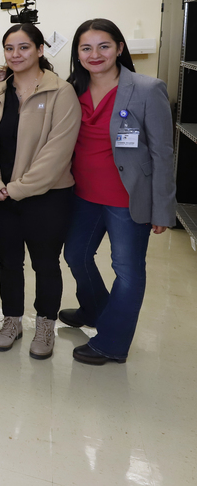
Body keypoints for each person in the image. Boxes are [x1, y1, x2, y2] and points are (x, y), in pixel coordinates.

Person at [60, 19, 175, 365]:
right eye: (86, 48)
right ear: (77, 54)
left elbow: (163, 152)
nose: (95, 54)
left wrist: (163, 209)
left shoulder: (146, 88)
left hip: (127, 199)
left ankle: (112, 342)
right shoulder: (72, 89)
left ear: (119, 48)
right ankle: (95, 310)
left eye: (104, 46)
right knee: (76, 256)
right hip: (82, 195)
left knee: (126, 270)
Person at [0, 23, 81, 360]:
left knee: (46, 263)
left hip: (46, 197)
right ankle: (11, 321)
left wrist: (17, 189)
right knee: (8, 262)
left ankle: (45, 325)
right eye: (9, 48)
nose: (16, 55)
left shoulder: (61, 92)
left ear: (39, 50)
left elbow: (57, 152)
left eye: (23, 47)